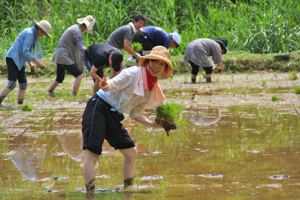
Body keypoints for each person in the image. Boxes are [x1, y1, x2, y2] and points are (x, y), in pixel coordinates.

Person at [82, 46, 173, 195]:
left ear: (164, 69)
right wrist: (105, 85)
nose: (157, 66)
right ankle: (90, 194)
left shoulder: (151, 87)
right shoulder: (132, 73)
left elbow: (135, 112)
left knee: (131, 152)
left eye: (161, 64)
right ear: (148, 62)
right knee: (92, 153)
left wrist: (153, 124)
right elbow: (114, 83)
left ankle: (128, 191)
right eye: (154, 61)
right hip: (98, 107)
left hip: (114, 114)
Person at [0, 20, 52, 105]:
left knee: (23, 84)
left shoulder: (31, 33)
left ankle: (20, 105)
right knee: (12, 84)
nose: (43, 36)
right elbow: (25, 52)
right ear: (40, 30)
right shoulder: (30, 34)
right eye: (44, 34)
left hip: (19, 60)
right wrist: (37, 62)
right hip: (13, 58)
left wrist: (30, 63)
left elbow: (24, 50)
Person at [48, 15, 95, 96]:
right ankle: (74, 95)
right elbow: (80, 48)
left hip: (59, 55)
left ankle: (49, 92)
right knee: (79, 75)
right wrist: (91, 51)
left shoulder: (74, 28)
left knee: (59, 78)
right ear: (85, 26)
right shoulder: (77, 31)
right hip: (63, 56)